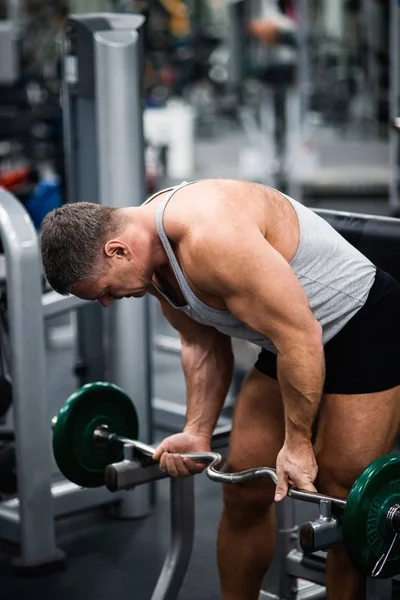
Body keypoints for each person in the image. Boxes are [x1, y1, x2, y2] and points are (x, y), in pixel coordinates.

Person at [40, 179, 400, 600]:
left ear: (117, 250)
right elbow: (202, 343)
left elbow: (302, 337)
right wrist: (197, 429)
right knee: (243, 482)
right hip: (287, 339)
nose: (107, 302)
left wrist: (298, 444)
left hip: (362, 324)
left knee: (343, 503)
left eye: (104, 291)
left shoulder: (209, 238)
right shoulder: (151, 259)